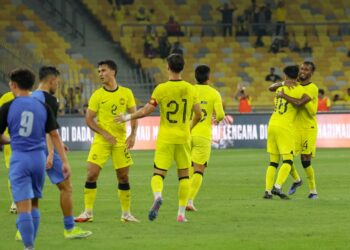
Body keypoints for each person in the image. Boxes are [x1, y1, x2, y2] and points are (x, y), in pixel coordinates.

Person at [115, 54, 202, 222]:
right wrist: (188, 128)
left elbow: (146, 110)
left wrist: (127, 117)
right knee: (184, 176)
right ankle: (181, 214)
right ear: (182, 68)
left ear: (167, 67)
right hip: (183, 137)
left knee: (158, 174)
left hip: (165, 138)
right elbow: (198, 114)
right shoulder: (191, 89)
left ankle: (157, 196)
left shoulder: (161, 89)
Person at [0, 68, 69, 250]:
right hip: (38, 159)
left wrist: (10, 139)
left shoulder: (8, 106)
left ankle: (29, 247)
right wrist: (65, 162)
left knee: (23, 207)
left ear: (13, 85)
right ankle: (31, 245)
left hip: (20, 159)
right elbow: (54, 135)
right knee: (35, 204)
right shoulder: (43, 106)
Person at [30, 66, 92, 239]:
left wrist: (60, 144)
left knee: (33, 193)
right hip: (45, 148)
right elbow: (49, 130)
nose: (58, 84)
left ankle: (24, 230)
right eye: (57, 81)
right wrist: (51, 153)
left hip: (30, 149)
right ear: (51, 80)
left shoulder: (30, 97)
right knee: (66, 187)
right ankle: (70, 228)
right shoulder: (50, 99)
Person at [75, 60, 139, 223]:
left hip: (120, 142)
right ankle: (87, 212)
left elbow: (134, 115)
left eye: (103, 71)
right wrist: (105, 133)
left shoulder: (126, 93)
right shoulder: (97, 95)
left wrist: (132, 135)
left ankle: (126, 214)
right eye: (99, 72)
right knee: (91, 174)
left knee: (123, 177)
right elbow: (89, 119)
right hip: (101, 141)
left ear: (113, 72)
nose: (100, 74)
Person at [268, 62, 319, 199]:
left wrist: (286, 96)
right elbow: (271, 87)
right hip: (294, 127)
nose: (303, 71)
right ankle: (297, 180)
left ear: (311, 73)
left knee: (305, 160)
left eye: (306, 69)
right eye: (302, 68)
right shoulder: (291, 85)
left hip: (308, 127)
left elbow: (312, 111)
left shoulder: (312, 88)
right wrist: (283, 83)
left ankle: (313, 190)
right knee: (288, 157)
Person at [186, 65, 225, 211]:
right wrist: (216, 119)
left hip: (187, 133)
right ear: (209, 77)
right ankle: (189, 200)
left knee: (189, 166)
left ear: (195, 77)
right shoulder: (214, 93)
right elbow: (220, 114)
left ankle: (184, 197)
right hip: (203, 135)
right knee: (199, 169)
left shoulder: (189, 90)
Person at [0, 91, 16, 213]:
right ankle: (15, 201)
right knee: (12, 172)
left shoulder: (30, 97)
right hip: (10, 140)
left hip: (27, 141)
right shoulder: (6, 98)